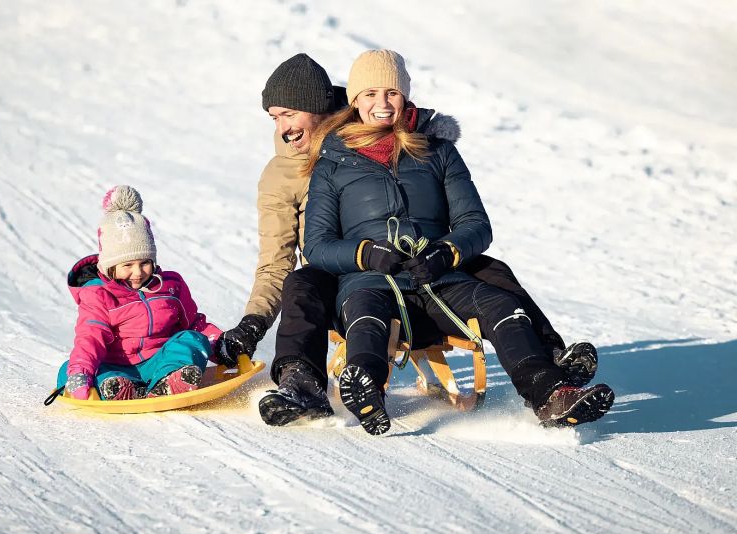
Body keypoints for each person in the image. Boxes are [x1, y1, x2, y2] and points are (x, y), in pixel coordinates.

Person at [220, 53, 599, 428]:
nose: (283, 128)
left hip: (420, 263)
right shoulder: (293, 171)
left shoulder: (399, 133)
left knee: (490, 270)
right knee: (302, 283)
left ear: (319, 108)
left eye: (289, 115)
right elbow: (278, 258)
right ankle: (306, 384)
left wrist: (444, 247)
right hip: (340, 269)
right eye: (275, 118)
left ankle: (550, 362)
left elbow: (466, 218)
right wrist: (253, 323)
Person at [55, 186, 223, 400]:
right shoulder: (98, 294)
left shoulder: (171, 286)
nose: (138, 272)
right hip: (118, 366)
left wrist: (222, 346)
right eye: (127, 265)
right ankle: (118, 388)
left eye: (145, 263)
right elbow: (91, 336)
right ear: (109, 266)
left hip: (161, 361)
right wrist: (80, 373)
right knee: (68, 370)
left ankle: (170, 381)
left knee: (193, 338)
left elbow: (194, 323)